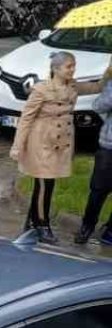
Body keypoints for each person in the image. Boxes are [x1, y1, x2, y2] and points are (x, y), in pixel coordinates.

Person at [11, 51, 85, 245]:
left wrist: (107, 75)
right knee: (45, 184)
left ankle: (31, 221)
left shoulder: (72, 86)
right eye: (69, 66)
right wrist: (17, 146)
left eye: (73, 65)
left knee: (45, 184)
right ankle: (42, 225)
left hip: (59, 144)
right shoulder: (42, 90)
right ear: (56, 69)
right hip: (42, 143)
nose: (72, 70)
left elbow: (95, 87)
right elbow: (26, 118)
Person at [76, 68, 112, 245]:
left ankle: (110, 230)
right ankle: (87, 226)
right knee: (99, 189)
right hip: (109, 146)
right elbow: (98, 106)